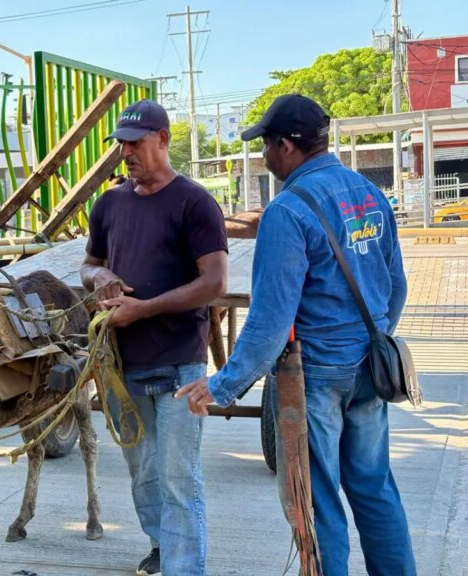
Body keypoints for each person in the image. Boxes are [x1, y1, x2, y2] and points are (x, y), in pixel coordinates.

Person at [175, 94, 415, 576]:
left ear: (286, 146)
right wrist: (373, 339)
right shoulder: (368, 194)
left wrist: (221, 385)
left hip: (318, 377)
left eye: (265, 144)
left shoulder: (287, 212)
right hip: (371, 366)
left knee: (317, 498)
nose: (264, 156)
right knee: (374, 486)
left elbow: (267, 322)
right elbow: (396, 286)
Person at [80, 99, 228, 576]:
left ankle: (185, 569)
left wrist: (144, 308)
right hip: (123, 366)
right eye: (121, 144)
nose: (126, 152)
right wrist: (98, 278)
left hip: (180, 363)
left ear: (163, 140)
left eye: (135, 143)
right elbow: (89, 262)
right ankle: (164, 547)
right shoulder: (109, 203)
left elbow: (214, 283)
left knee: (178, 478)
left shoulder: (195, 202)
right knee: (143, 474)